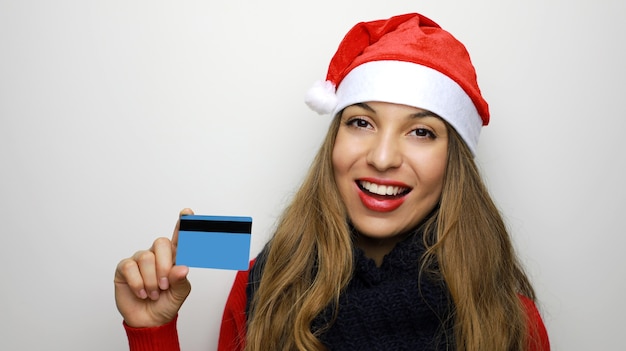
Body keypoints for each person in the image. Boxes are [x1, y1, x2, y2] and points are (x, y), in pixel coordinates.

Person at [114, 12, 550, 351]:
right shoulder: (262, 290)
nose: (381, 158)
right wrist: (152, 330)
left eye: (421, 131)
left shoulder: (510, 321)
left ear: (454, 160)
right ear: (334, 143)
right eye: (361, 122)